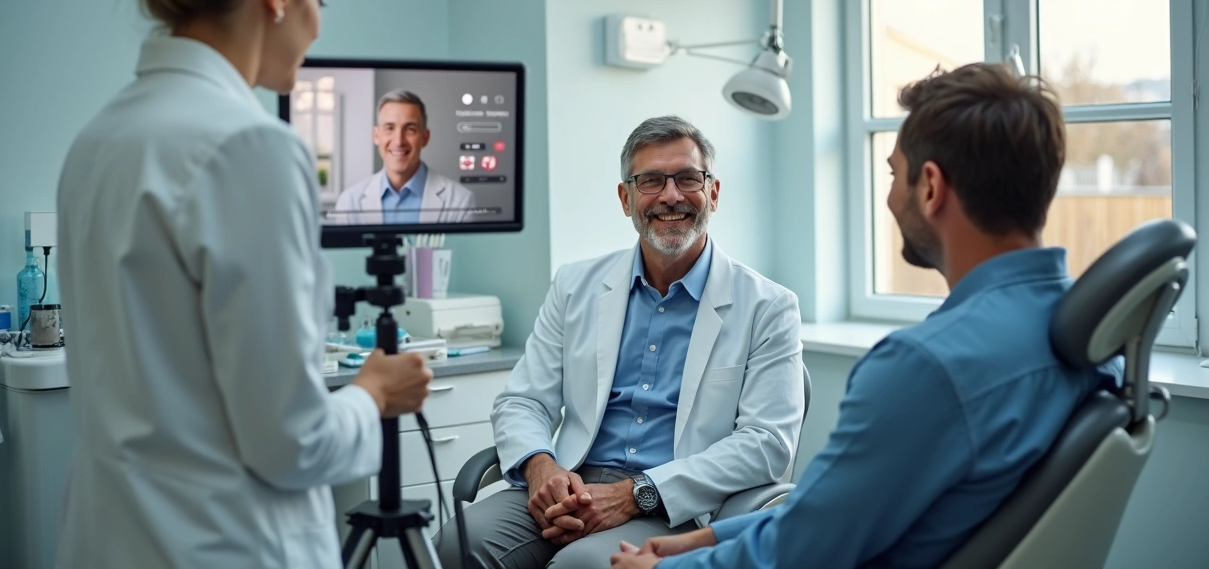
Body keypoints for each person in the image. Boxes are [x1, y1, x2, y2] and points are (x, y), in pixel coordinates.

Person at [610, 63, 1123, 569]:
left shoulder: (924, 368)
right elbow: (825, 516)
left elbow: (805, 552)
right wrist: (706, 540)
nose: (892, 196)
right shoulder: (1089, 336)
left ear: (930, 187)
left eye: (895, 173)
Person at [54, 0, 434, 567]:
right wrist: (373, 394)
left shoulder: (98, 139)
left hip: (110, 539)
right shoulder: (249, 147)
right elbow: (294, 443)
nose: (317, 29)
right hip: (225, 544)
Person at [435, 115, 806, 569]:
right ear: (626, 199)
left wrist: (637, 494)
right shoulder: (575, 285)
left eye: (688, 178)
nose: (670, 196)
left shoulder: (768, 305)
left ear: (713, 192)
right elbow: (523, 401)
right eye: (650, 181)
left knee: (583, 566)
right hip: (572, 482)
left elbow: (766, 443)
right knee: (458, 543)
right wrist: (541, 468)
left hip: (676, 503)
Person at [334, 89, 477, 223]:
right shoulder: (349, 202)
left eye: (410, 129)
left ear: (425, 138)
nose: (399, 141)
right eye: (389, 128)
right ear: (376, 136)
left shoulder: (460, 201)